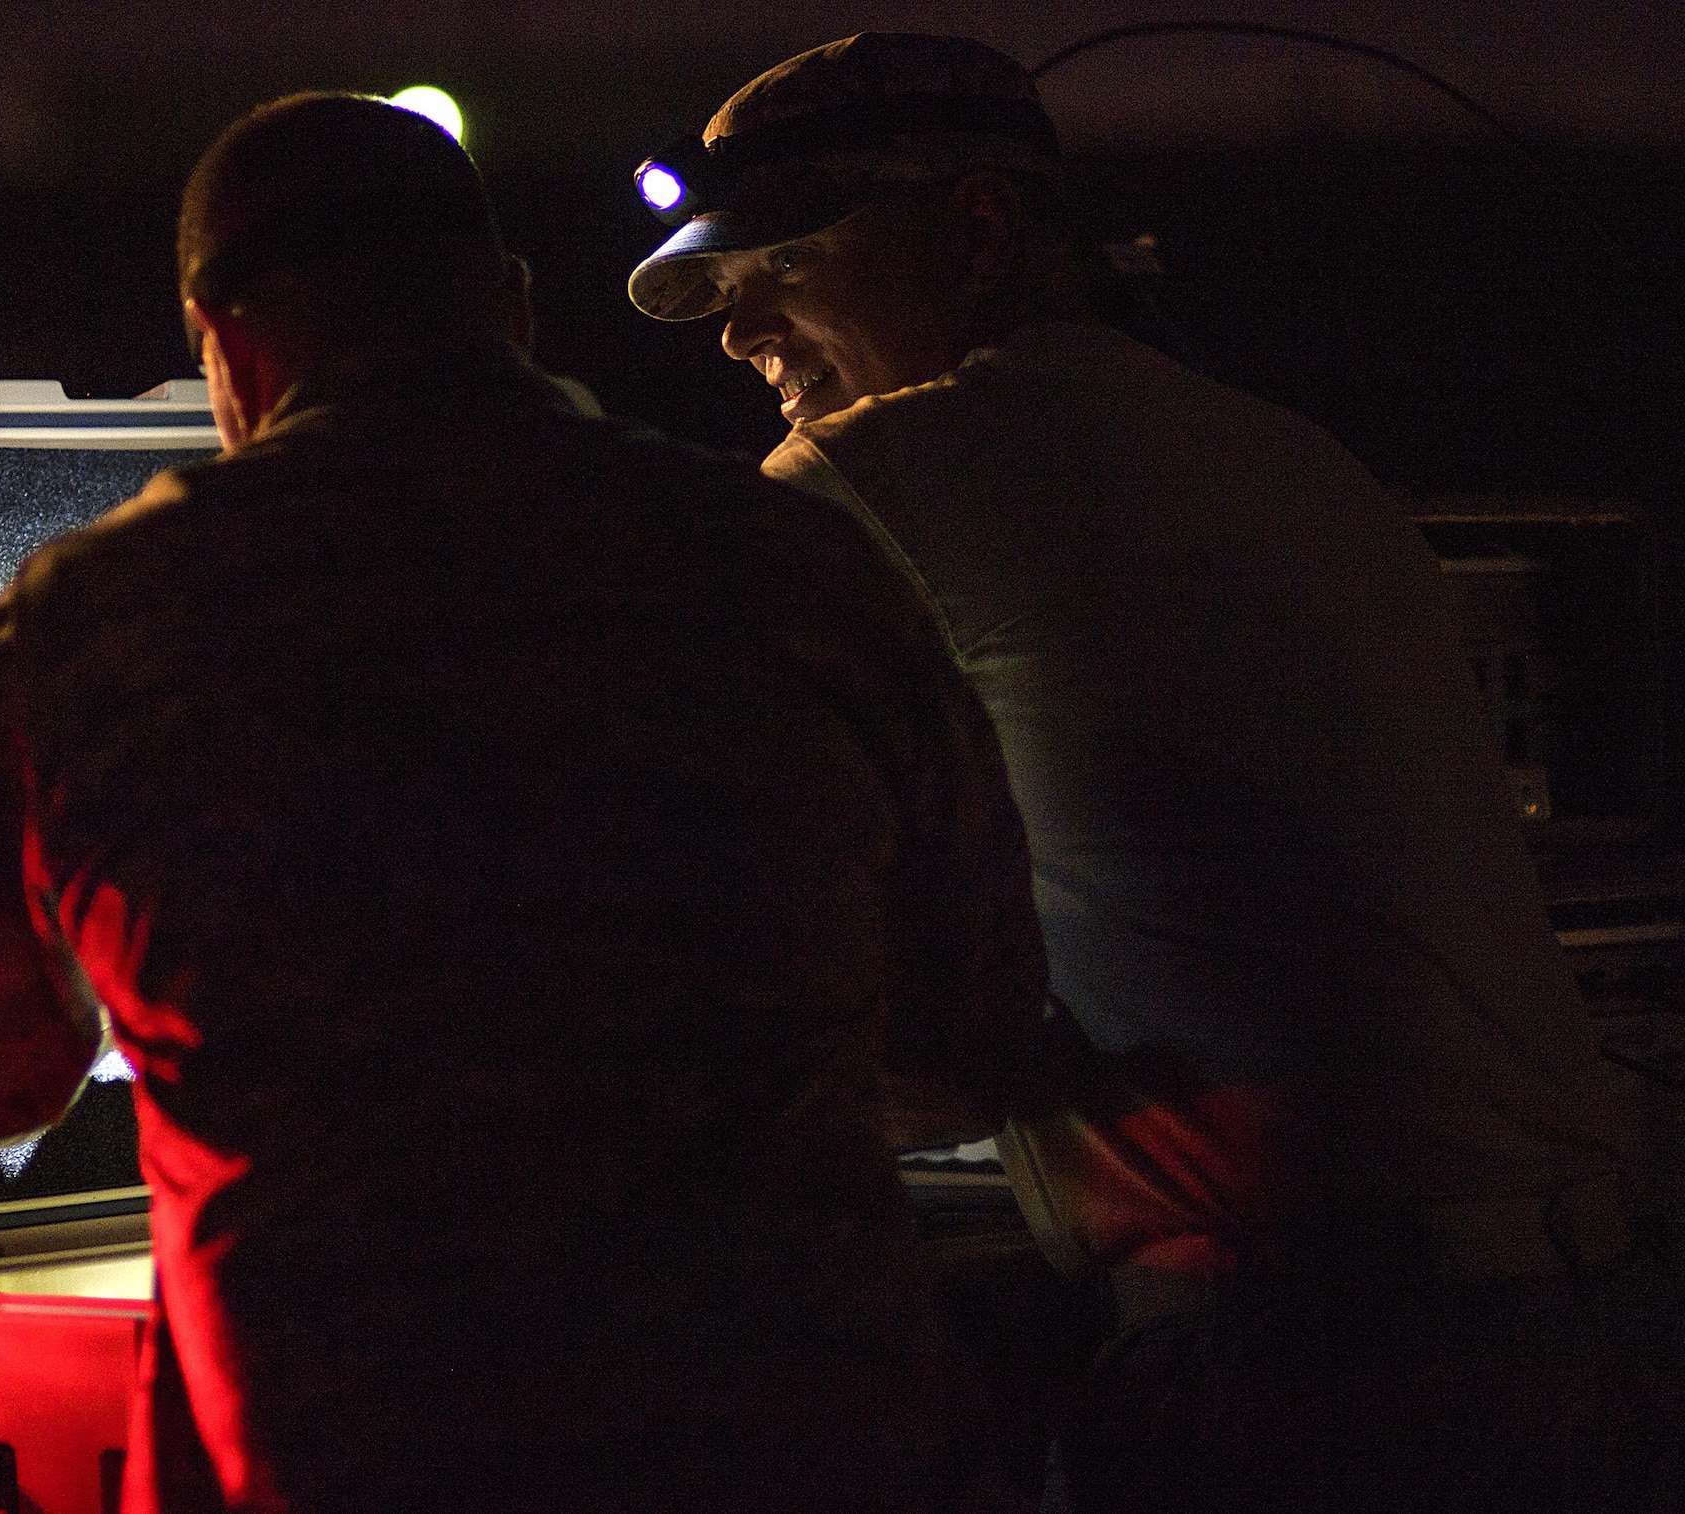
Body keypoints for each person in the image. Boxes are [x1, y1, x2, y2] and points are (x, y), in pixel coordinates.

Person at [0, 92, 1052, 1512]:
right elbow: (971, 1036)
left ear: (222, 341)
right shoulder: (806, 567)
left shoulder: (105, 625)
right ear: (511, 306)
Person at [629, 32, 1679, 1512]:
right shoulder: (1288, 454)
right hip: (1583, 1332)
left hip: (1313, 1371)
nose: (738, 333)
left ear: (978, 228)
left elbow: (614, 768)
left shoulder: (895, 467)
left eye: (781, 264)